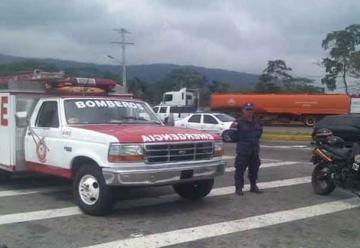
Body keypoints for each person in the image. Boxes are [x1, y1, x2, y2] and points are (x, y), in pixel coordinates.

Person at [234, 102, 263, 196]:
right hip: (243, 150)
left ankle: (253, 186)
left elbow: (259, 133)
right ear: (243, 110)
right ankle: (238, 188)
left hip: (254, 150)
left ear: (253, 110)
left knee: (254, 169)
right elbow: (233, 135)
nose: (249, 112)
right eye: (247, 110)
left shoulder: (257, 121)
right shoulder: (238, 122)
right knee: (240, 169)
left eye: (250, 110)